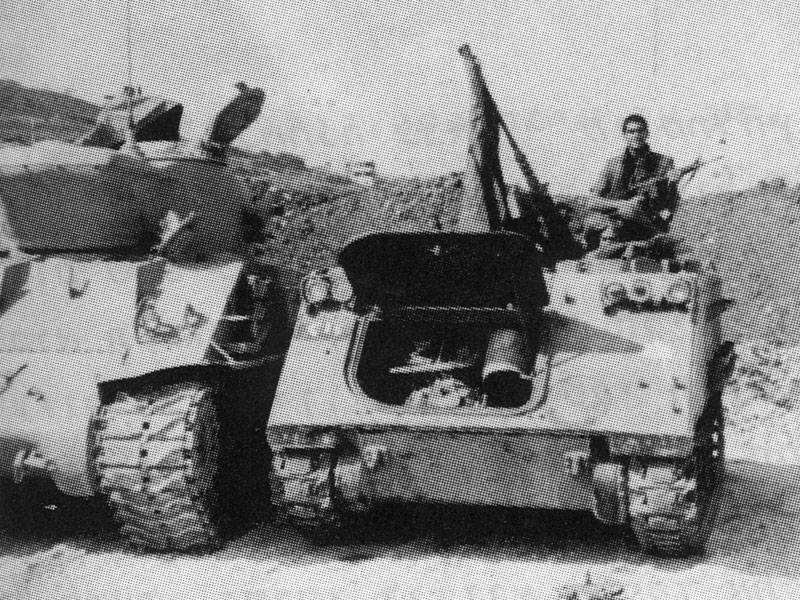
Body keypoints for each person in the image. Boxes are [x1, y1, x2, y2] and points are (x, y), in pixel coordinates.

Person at [584, 114, 679, 253]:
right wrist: (623, 205)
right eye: (631, 131)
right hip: (617, 223)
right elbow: (591, 202)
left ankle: (637, 247)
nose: (636, 135)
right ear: (625, 135)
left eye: (640, 131)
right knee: (593, 222)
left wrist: (669, 197)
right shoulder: (613, 165)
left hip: (648, 225)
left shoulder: (664, 162)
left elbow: (672, 201)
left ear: (647, 133)